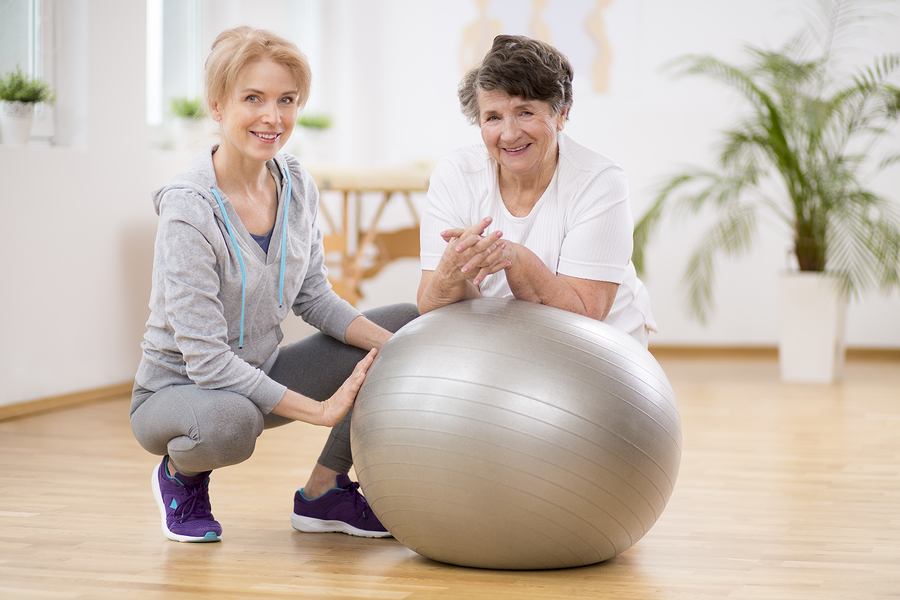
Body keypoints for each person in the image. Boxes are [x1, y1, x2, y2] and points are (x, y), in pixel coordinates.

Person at [130, 26, 418, 543]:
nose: (273, 117)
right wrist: (321, 411)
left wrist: (405, 349)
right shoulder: (188, 210)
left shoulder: (295, 183)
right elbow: (208, 363)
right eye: (253, 99)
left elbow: (313, 296)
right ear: (217, 106)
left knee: (406, 325)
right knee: (231, 422)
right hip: (177, 392)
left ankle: (325, 493)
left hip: (260, 373)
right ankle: (182, 476)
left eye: (286, 100)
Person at [418, 35, 655, 345]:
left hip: (602, 352)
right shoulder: (456, 175)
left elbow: (584, 316)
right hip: (504, 345)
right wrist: (452, 272)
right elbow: (429, 306)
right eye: (493, 117)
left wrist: (516, 260)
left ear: (561, 113)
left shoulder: (599, 182)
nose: (510, 133)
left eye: (525, 112)